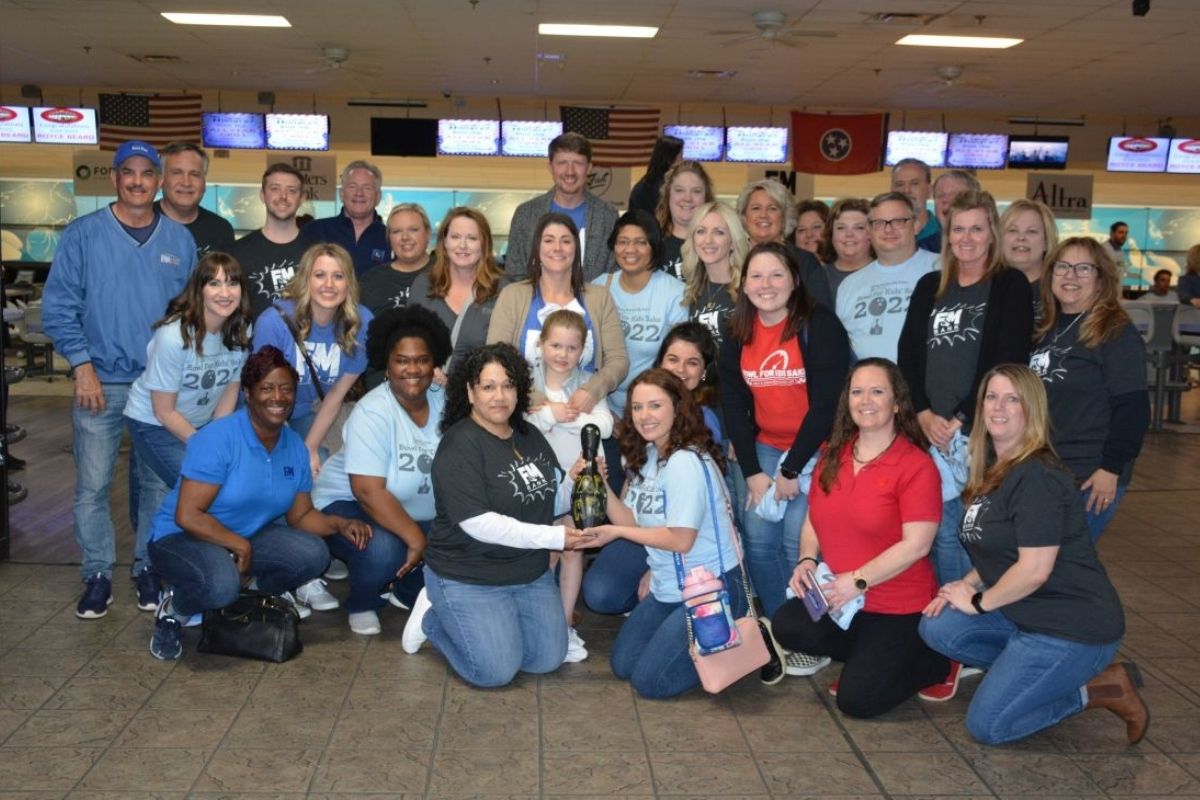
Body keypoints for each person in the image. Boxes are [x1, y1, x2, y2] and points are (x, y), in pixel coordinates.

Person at [919, 364, 1148, 746]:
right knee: (938, 627)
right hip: (1026, 615)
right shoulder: (995, 468)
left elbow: (1034, 571)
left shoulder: (1037, 476)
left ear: (1032, 410)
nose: (999, 407)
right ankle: (1031, 674)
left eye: (1013, 399)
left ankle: (1098, 688)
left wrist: (977, 602)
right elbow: (999, 546)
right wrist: (968, 581)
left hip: (1072, 628)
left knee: (989, 726)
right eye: (992, 397)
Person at [42, 140, 197, 619]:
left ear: (158, 181)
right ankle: (97, 574)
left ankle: (146, 567)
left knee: (155, 486)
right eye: (127, 172)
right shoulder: (84, 235)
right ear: (114, 178)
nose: (136, 181)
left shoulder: (178, 241)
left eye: (146, 173)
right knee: (92, 484)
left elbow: (190, 316)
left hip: (158, 389)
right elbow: (59, 307)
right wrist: (81, 364)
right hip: (100, 383)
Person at [146, 346, 371, 660]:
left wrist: (340, 524)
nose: (277, 397)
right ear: (248, 394)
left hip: (243, 536)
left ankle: (249, 593)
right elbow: (188, 515)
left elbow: (301, 515)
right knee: (220, 585)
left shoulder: (293, 446)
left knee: (313, 555)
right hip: (181, 537)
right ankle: (175, 607)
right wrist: (239, 545)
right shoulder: (219, 438)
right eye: (267, 388)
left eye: (286, 389)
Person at [401, 343, 590, 687]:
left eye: (507, 385)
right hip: (469, 574)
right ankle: (432, 618)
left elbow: (550, 500)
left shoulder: (529, 435)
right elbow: (479, 523)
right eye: (488, 387)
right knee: (494, 672)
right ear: (470, 393)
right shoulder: (459, 445)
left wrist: (576, 481)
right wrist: (554, 537)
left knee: (546, 659)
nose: (499, 396)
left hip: (527, 573)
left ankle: (495, 625)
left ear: (519, 390)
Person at [770, 359, 951, 716]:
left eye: (877, 391)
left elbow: (918, 544)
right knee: (787, 624)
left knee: (857, 701)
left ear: (897, 402)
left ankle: (932, 660)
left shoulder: (916, 465)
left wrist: (858, 580)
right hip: (843, 599)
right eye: (857, 392)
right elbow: (814, 520)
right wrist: (808, 559)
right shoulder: (834, 455)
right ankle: (871, 658)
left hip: (897, 604)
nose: (865, 400)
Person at [719, 241, 851, 683]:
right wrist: (754, 471)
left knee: (799, 542)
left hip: (816, 450)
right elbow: (734, 405)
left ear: (794, 280)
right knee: (757, 538)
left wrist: (791, 470)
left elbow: (826, 404)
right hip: (766, 449)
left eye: (776, 275)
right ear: (743, 284)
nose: (766, 285)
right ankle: (782, 627)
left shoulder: (819, 325)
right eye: (756, 276)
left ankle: (812, 633)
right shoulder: (736, 329)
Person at [578, 369, 747, 699]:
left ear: (677, 407)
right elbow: (632, 519)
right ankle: (703, 641)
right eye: (637, 408)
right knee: (623, 664)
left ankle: (729, 637)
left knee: (650, 682)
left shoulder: (685, 460)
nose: (644, 416)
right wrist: (598, 483)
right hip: (671, 584)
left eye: (655, 405)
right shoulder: (652, 454)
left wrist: (614, 530)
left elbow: (681, 539)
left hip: (711, 587)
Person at [898, 190, 1033, 585]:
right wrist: (923, 413)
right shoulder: (929, 287)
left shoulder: (1010, 284)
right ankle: (947, 615)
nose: (967, 238)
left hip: (981, 434)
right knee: (940, 532)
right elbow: (908, 354)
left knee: (977, 533)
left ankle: (972, 618)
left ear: (992, 232)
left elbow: (1007, 360)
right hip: (930, 430)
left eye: (977, 228)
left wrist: (959, 418)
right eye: (958, 229)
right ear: (948, 234)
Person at [123, 252, 252, 609]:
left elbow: (230, 387)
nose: (225, 292)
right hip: (151, 421)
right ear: (199, 288)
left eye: (232, 282)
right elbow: (163, 410)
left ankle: (147, 567)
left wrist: (220, 438)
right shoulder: (173, 336)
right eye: (215, 283)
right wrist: (205, 450)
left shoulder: (240, 329)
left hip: (196, 423)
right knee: (194, 485)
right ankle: (164, 567)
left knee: (156, 491)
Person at [310, 306, 450, 635]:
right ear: (387, 365)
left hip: (409, 507)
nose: (413, 369)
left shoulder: (445, 401)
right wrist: (416, 538)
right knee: (385, 549)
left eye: (422, 359)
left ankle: (402, 590)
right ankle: (363, 601)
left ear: (434, 364)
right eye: (402, 360)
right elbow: (368, 492)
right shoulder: (372, 411)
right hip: (348, 504)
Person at [582, 321, 721, 617]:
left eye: (692, 362)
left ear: (704, 371)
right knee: (597, 591)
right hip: (645, 530)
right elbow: (633, 510)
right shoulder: (644, 427)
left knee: (609, 596)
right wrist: (596, 480)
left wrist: (658, 572)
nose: (680, 370)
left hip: (685, 545)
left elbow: (687, 533)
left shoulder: (701, 429)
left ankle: (673, 600)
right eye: (673, 359)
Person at [1029, 237, 1149, 540]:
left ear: (1101, 280)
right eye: (1063, 267)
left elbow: (1134, 409)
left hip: (1089, 476)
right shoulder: (1047, 327)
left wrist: (1111, 469)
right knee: (1044, 568)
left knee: (1064, 570)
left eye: (1084, 268)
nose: (1071, 276)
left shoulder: (1115, 331)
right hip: (1046, 470)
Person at [525, 309, 615, 661]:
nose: (562, 354)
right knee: (545, 552)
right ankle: (539, 619)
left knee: (573, 550)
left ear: (583, 350)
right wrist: (550, 415)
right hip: (542, 482)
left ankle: (564, 623)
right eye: (556, 345)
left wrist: (560, 417)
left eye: (571, 348)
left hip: (581, 482)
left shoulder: (588, 383)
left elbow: (605, 426)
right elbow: (523, 425)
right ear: (541, 344)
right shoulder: (527, 382)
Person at [252, 242, 373, 479]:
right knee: (280, 472)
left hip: (314, 412)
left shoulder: (362, 322)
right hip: (266, 412)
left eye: (338, 276)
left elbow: (337, 394)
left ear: (348, 283)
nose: (329, 285)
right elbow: (261, 393)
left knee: (322, 472)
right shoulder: (274, 322)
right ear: (306, 280)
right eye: (320, 275)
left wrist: (310, 448)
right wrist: (288, 448)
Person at [489, 213, 629, 414]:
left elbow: (619, 360)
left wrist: (591, 391)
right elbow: (496, 358)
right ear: (537, 248)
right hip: (523, 415)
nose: (557, 248)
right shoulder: (512, 296)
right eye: (548, 240)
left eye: (566, 241)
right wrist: (541, 403)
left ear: (576, 248)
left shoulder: (599, 298)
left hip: (582, 413)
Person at [593, 210, 687, 421]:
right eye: (623, 241)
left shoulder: (675, 293)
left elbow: (678, 365)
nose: (630, 250)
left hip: (654, 412)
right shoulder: (599, 287)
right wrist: (605, 413)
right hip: (603, 408)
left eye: (640, 242)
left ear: (653, 246)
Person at [836, 192, 939, 362]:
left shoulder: (942, 268)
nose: (888, 229)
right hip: (869, 385)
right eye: (879, 223)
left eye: (898, 221)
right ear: (869, 231)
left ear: (916, 225)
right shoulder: (849, 285)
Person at [505, 132, 618, 281]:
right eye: (562, 163)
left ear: (589, 167)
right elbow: (514, 274)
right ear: (550, 167)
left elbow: (613, 275)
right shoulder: (525, 214)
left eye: (577, 163)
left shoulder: (608, 216)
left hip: (592, 303)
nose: (570, 172)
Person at [408, 207, 507, 373]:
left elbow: (509, 353)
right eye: (455, 237)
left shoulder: (503, 290)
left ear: (484, 244)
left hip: (481, 392)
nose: (462, 245)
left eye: (472, 238)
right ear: (445, 242)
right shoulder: (424, 285)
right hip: (428, 389)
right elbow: (408, 340)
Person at [229, 163, 310, 319]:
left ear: (302, 198)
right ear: (262, 195)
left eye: (291, 191)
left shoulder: (316, 252)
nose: (283, 196)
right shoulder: (237, 253)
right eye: (275, 189)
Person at [736, 179, 832, 309]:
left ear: (785, 217)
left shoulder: (806, 262)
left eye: (773, 208)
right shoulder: (731, 258)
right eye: (756, 208)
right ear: (744, 217)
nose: (763, 215)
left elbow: (821, 314)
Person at [681, 201, 749, 351]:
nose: (708, 240)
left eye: (719, 232)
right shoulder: (691, 291)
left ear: (732, 242)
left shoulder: (749, 290)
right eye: (701, 231)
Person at [304, 160, 389, 275]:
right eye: (352, 186)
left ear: (378, 197)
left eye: (367, 188)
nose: (359, 193)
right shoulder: (313, 231)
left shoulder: (390, 237)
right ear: (342, 193)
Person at [154, 142, 235, 258]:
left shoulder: (221, 230)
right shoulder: (140, 221)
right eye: (177, 173)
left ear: (204, 182)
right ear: (161, 179)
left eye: (195, 174)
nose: (186, 183)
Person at [358, 203, 433, 315]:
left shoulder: (448, 273)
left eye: (413, 230)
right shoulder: (370, 281)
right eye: (397, 231)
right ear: (389, 238)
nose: (405, 237)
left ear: (428, 234)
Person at [999, 198, 1058, 325]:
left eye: (1031, 231)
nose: (1021, 238)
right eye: (1012, 230)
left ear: (1047, 242)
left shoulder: (1061, 290)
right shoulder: (986, 288)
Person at [655, 161, 715, 280]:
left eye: (696, 191)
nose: (687, 198)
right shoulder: (652, 243)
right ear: (668, 196)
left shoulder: (718, 245)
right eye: (679, 190)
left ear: (706, 198)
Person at [820, 198, 873, 306]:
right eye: (841, 228)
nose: (849, 234)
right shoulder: (818, 277)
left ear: (871, 233)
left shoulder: (888, 273)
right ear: (831, 234)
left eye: (859, 228)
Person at [890, 158, 940, 253]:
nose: (906, 190)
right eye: (899, 184)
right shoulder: (879, 235)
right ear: (891, 190)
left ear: (930, 190)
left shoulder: (948, 235)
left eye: (914, 183)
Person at [628, 134, 683, 219]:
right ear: (670, 158)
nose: (682, 160)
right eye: (680, 155)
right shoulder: (649, 189)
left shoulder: (643, 185)